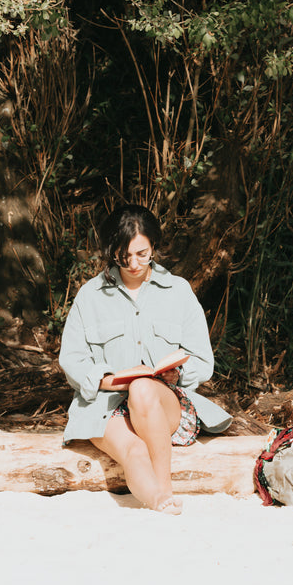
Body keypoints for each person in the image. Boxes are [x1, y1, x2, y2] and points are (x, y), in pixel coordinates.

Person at [58, 204, 232, 514]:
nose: (134, 263)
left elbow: (203, 360)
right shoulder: (90, 295)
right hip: (105, 406)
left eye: (142, 253)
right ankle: (158, 501)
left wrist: (177, 373)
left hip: (164, 403)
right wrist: (108, 381)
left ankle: (164, 486)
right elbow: (72, 359)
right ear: (112, 251)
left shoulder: (178, 291)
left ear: (154, 247)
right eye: (124, 256)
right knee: (133, 448)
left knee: (142, 389)